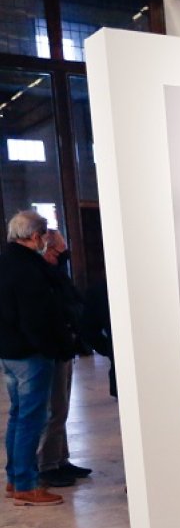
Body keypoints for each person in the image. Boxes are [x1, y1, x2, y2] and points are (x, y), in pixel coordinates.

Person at [0, 211, 73, 506]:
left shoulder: (5, 262)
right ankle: (27, 485)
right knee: (32, 418)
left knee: (18, 416)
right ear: (34, 236)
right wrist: (49, 347)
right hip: (30, 354)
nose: (45, 241)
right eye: (44, 235)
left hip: (9, 351)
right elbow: (35, 317)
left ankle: (14, 478)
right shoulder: (28, 268)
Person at [37, 230, 93, 488]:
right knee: (54, 408)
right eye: (60, 251)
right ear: (47, 251)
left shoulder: (55, 276)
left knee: (62, 407)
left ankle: (60, 458)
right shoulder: (41, 276)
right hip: (52, 348)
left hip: (65, 346)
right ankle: (47, 464)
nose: (63, 255)